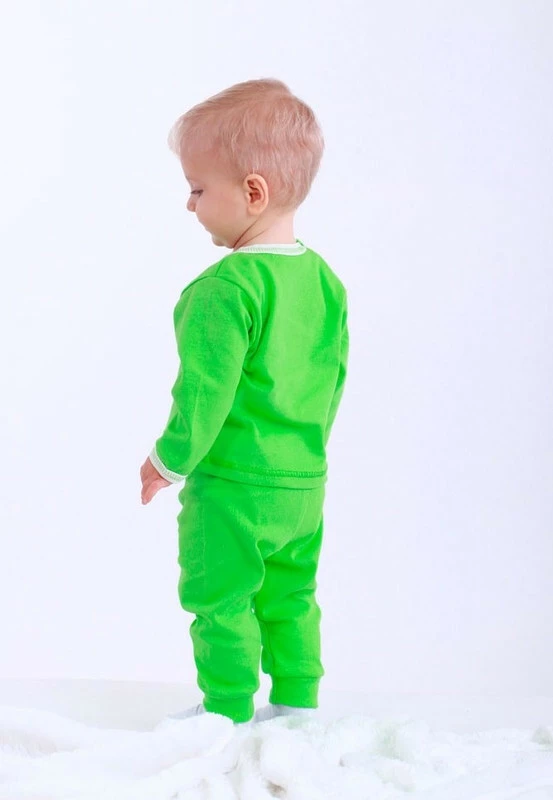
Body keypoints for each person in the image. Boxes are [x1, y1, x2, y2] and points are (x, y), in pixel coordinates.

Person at [139, 78, 349, 726]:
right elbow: (332, 378)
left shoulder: (224, 289)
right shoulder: (324, 282)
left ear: (252, 192)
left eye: (198, 189)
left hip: (234, 486)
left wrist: (168, 460)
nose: (189, 204)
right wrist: (306, 450)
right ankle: (297, 704)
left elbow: (204, 392)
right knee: (291, 594)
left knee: (221, 596)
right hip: (303, 481)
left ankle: (224, 713)